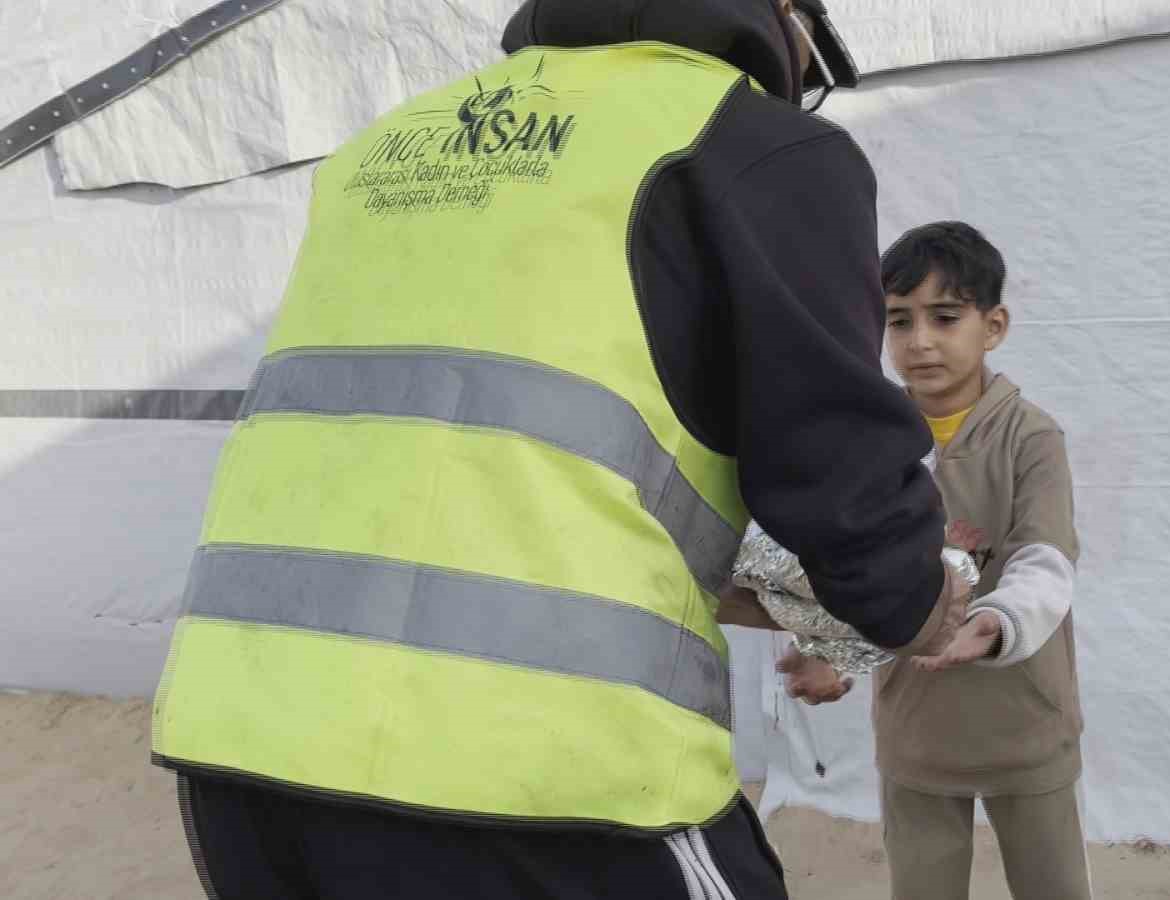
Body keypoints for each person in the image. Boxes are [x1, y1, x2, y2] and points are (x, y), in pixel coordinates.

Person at [149, 3, 973, 898]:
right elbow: (836, 476)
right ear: (781, 15)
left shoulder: (382, 148)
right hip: (543, 773)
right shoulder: (751, 143)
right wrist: (916, 601)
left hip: (241, 751)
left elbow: (460, 471)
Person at [788, 222, 1092, 900]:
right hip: (915, 732)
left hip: (1027, 725)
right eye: (899, 321)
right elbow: (850, 570)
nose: (920, 341)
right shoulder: (869, 444)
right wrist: (832, 652)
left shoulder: (1032, 438)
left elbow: (1046, 561)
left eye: (945, 317)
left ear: (994, 325)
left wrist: (993, 625)